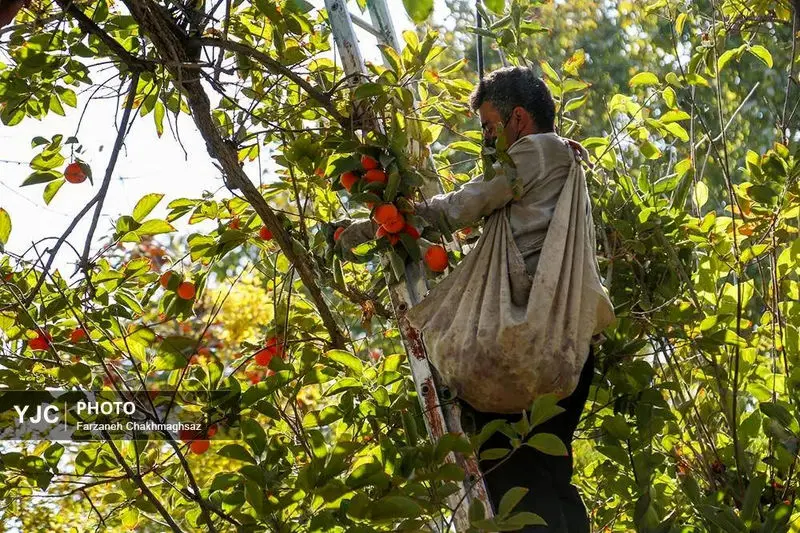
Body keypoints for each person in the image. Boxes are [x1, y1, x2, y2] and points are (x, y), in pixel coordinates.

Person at [334, 66, 603, 531]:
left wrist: (372, 225)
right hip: (569, 350)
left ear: (519, 119)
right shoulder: (565, 159)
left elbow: (460, 207)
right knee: (553, 474)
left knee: (510, 472)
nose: (487, 139)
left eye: (490, 127)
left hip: (524, 345)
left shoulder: (535, 152)